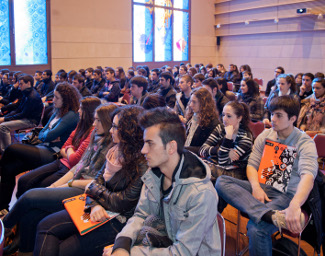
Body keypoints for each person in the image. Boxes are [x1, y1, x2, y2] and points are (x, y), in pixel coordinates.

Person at [1, 103, 118, 255]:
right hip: (75, 179)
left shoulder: (112, 147)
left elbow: (95, 181)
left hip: (85, 190)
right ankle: (23, 249)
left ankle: (5, 227)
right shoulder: (95, 135)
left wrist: (68, 183)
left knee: (30, 196)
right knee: (32, 211)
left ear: (108, 123)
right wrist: (55, 186)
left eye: (98, 120)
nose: (94, 123)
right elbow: (78, 166)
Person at [32, 106, 148, 256]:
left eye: (115, 127)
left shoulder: (142, 162)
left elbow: (122, 202)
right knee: (45, 225)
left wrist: (95, 197)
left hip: (117, 220)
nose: (111, 131)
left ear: (129, 131)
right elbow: (95, 183)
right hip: (97, 207)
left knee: (60, 249)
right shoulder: (115, 151)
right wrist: (93, 204)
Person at [105, 107, 221, 256]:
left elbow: (182, 252)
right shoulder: (154, 174)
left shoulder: (201, 194)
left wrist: (132, 252)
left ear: (171, 147)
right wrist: (121, 245)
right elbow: (141, 215)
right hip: (162, 244)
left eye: (150, 143)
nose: (143, 150)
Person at [215, 95, 318, 256]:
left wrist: (295, 205)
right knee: (222, 181)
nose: (272, 119)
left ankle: (265, 215)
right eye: (271, 114)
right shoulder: (266, 135)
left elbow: (308, 177)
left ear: (293, 118)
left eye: (278, 115)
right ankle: (270, 216)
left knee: (256, 229)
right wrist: (255, 187)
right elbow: (251, 165)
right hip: (263, 187)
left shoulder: (304, 143)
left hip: (286, 195)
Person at [0, 82, 80, 211]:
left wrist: (47, 135)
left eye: (56, 97)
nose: (53, 100)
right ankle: (3, 207)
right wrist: (48, 135)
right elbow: (43, 132)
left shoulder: (71, 115)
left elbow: (47, 135)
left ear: (66, 99)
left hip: (53, 153)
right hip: (44, 147)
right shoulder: (58, 111)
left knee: (11, 149)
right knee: (9, 169)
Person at [15, 97, 101, 197]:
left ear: (88, 111)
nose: (78, 111)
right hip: (61, 161)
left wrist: (69, 148)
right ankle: (20, 208)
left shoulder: (92, 131)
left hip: (69, 168)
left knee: (38, 187)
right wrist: (70, 149)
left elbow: (74, 160)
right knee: (24, 180)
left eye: (81, 108)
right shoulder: (81, 124)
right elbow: (62, 148)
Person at [200, 101, 253, 179]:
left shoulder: (245, 138)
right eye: (223, 114)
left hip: (236, 173)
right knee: (196, 163)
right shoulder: (221, 128)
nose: (224, 119)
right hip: (220, 168)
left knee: (199, 168)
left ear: (239, 118)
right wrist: (218, 150)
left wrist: (228, 138)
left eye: (229, 116)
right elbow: (202, 150)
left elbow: (223, 162)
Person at [0, 74, 43, 153]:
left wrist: (5, 119)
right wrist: (5, 117)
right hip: (25, 118)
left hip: (31, 121)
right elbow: (18, 108)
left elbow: (23, 114)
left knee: (3, 127)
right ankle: (2, 149)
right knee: (3, 122)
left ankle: (8, 152)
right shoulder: (26, 93)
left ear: (29, 83)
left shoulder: (33, 96)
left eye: (21, 84)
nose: (19, 86)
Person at [184, 88, 220, 155]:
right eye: (191, 101)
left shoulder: (212, 123)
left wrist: (184, 149)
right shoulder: (192, 117)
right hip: (187, 154)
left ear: (203, 104)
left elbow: (205, 149)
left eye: (194, 102)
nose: (190, 105)